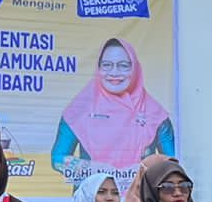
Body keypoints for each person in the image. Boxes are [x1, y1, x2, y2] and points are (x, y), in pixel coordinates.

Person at [52, 38, 175, 178]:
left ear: (135, 69)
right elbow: (57, 158)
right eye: (107, 65)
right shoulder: (79, 111)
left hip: (141, 197)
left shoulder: (155, 115)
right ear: (98, 68)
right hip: (92, 196)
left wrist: (144, 170)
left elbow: (173, 162)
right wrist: (92, 168)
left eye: (123, 65)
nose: (114, 73)